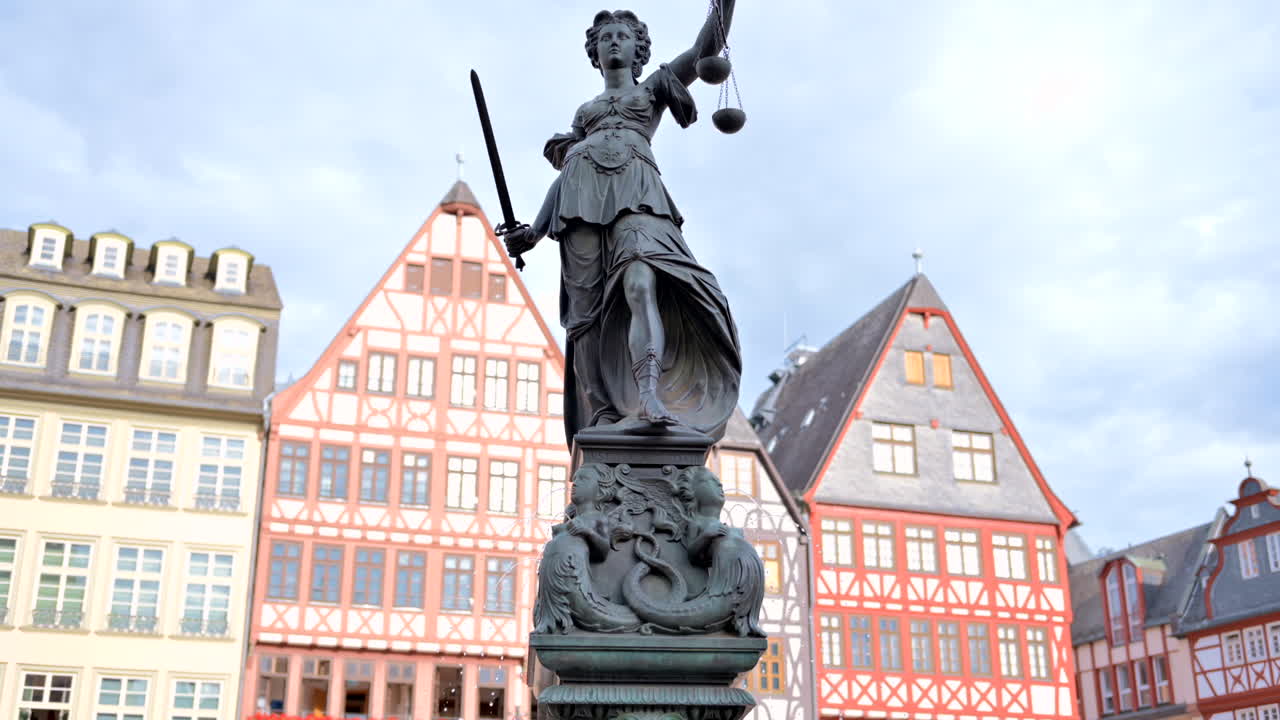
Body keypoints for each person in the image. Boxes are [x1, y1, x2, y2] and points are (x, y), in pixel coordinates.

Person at [499, 4, 741, 442]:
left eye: (623, 36)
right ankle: (604, 412)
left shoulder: (651, 90)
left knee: (641, 280)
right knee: (584, 317)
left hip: (638, 196)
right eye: (606, 36)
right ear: (595, 52)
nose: (614, 41)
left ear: (638, 49)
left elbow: (704, 48)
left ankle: (649, 393)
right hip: (578, 204)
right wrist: (534, 232)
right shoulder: (585, 113)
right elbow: (570, 171)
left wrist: (725, 4)